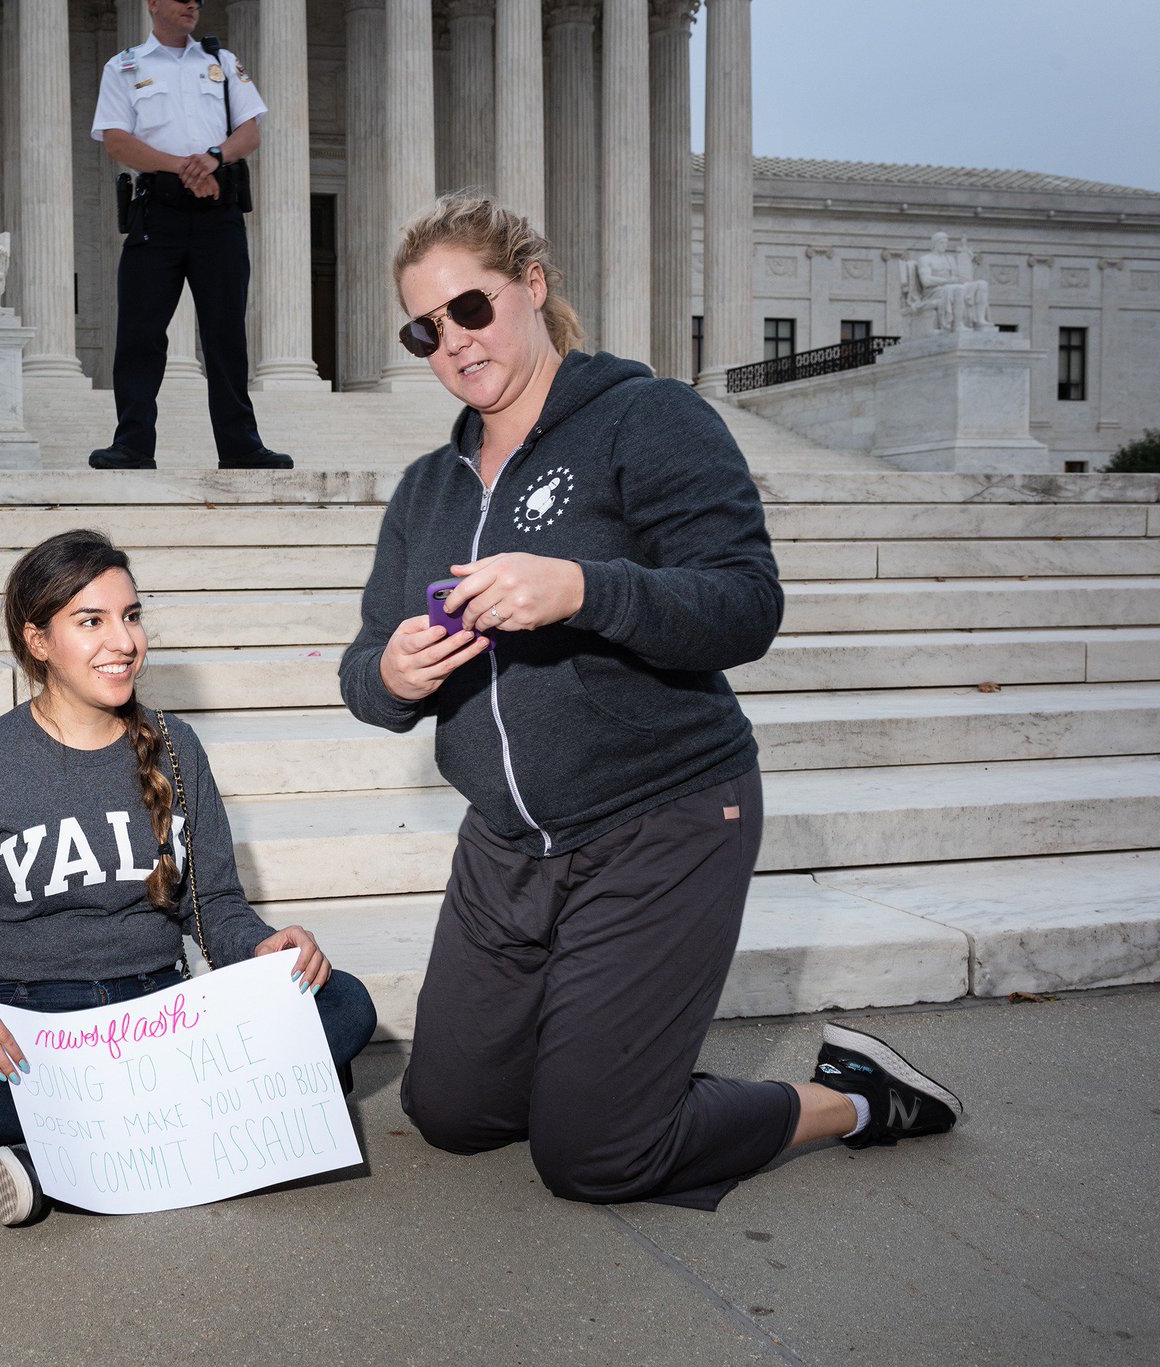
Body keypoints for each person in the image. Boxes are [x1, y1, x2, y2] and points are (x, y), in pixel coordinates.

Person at [340, 192, 964, 1211]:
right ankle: (602, 1076)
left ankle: (852, 1097)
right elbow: (364, 668)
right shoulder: (426, 487)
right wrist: (392, 676)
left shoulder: (646, 416)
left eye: (470, 308)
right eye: (424, 329)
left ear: (531, 285)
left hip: (659, 816)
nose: (452, 341)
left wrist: (583, 589)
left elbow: (745, 604)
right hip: (507, 844)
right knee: (452, 1112)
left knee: (593, 1155)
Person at [0, 529, 377, 1225]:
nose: (124, 641)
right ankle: (176, 1127)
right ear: (37, 640)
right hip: (34, 1029)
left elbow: (215, 905)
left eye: (131, 616)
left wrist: (264, 946)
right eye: (91, 621)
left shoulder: (176, 747)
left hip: (158, 1017)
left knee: (344, 1002)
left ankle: (53, 1150)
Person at [88, 0, 292, 472]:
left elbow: (250, 132)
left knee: (226, 332)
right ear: (153, 4)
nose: (192, 5)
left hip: (218, 214)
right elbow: (117, 140)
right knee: (140, 332)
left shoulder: (222, 62)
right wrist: (184, 166)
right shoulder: (124, 67)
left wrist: (213, 157)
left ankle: (240, 445)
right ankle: (132, 444)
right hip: (156, 214)